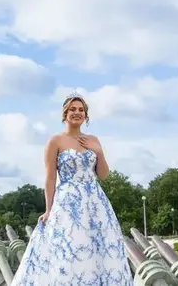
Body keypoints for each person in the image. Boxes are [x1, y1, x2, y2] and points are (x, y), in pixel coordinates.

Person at [11, 93, 133, 285]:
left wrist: (98, 151)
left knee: (98, 250)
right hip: (68, 203)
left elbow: (103, 175)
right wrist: (48, 209)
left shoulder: (93, 140)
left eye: (81, 110)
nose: (77, 112)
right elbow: (50, 178)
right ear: (65, 113)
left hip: (96, 202)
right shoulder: (55, 141)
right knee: (70, 248)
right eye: (72, 109)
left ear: (86, 115)